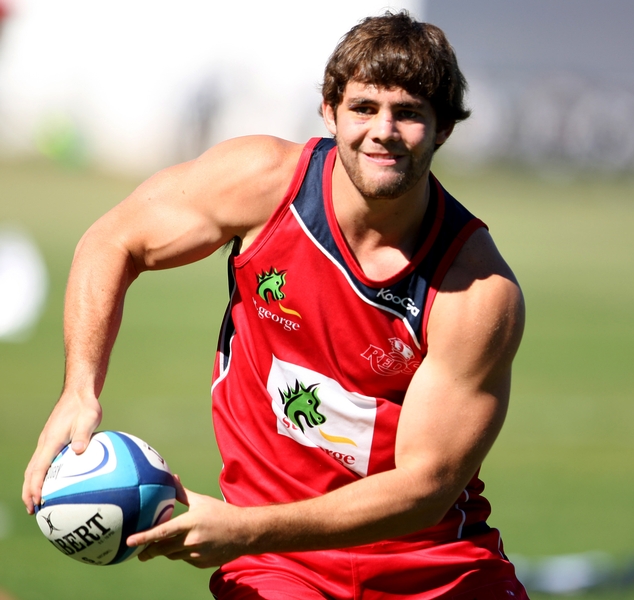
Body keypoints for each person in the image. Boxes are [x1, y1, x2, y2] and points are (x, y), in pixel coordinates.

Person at [23, 11, 528, 599]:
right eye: (364, 107)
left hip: (436, 568)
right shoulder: (263, 183)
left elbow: (426, 486)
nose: (383, 130)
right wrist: (79, 388)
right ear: (330, 110)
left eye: (409, 112)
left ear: (442, 130)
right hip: (279, 568)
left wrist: (241, 529)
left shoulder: (477, 290)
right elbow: (114, 240)